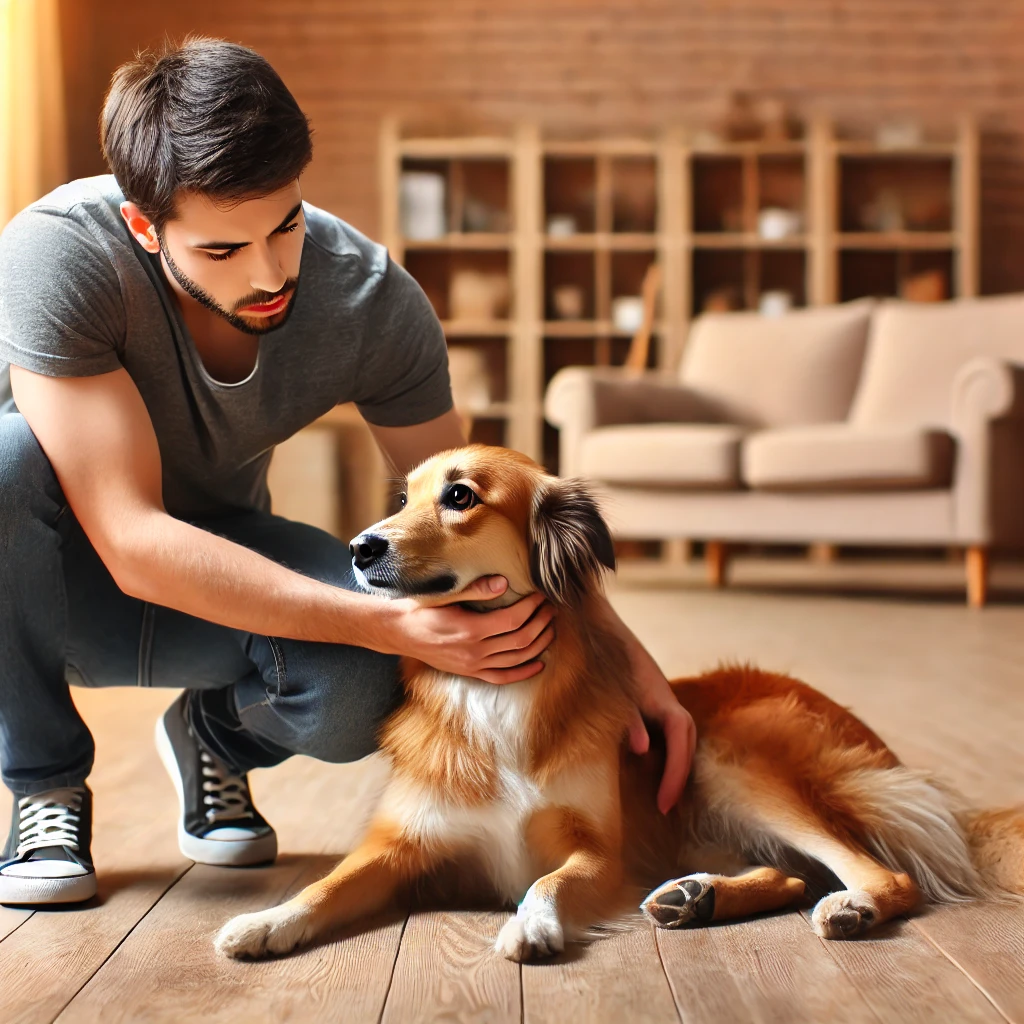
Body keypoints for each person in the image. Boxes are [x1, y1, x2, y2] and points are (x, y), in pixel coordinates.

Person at [0, 37, 695, 906]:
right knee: (7, 455)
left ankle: (218, 735)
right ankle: (43, 788)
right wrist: (389, 626)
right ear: (145, 226)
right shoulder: (56, 256)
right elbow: (132, 539)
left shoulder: (369, 296)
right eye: (221, 251)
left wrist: (626, 664)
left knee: (371, 682)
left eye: (284, 225)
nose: (268, 273)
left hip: (218, 565)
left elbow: (487, 525)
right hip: (40, 594)